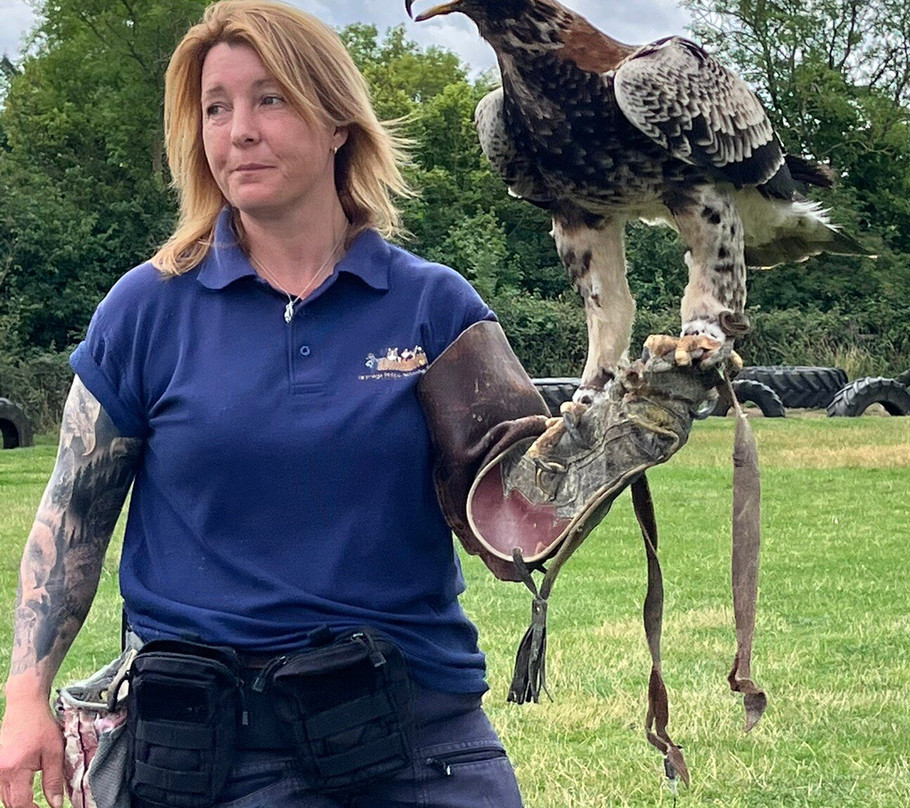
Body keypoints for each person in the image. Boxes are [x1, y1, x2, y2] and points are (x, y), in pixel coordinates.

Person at [0, 2, 534, 806]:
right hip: (208, 753)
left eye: (270, 99)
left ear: (336, 123)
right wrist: (23, 698)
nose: (238, 130)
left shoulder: (434, 309)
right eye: (216, 107)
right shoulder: (148, 309)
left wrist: (615, 433)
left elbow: (523, 514)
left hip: (416, 741)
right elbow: (74, 510)